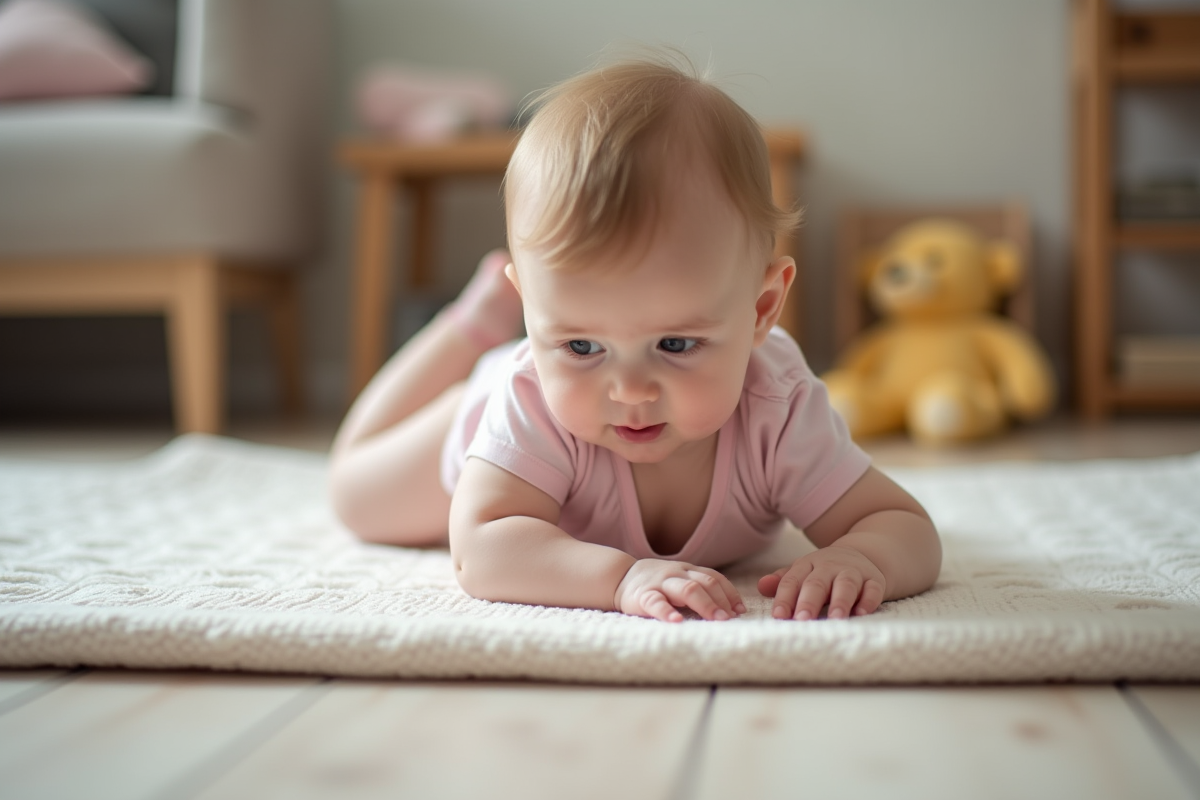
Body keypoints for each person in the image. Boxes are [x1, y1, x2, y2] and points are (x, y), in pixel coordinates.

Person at [329, 54, 942, 623]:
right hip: (486, 419)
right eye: (581, 346)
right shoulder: (531, 400)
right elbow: (483, 550)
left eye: (674, 345)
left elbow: (901, 524)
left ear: (760, 310)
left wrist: (863, 560)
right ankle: (467, 328)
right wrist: (620, 579)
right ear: (533, 309)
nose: (628, 391)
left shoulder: (777, 406)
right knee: (356, 496)